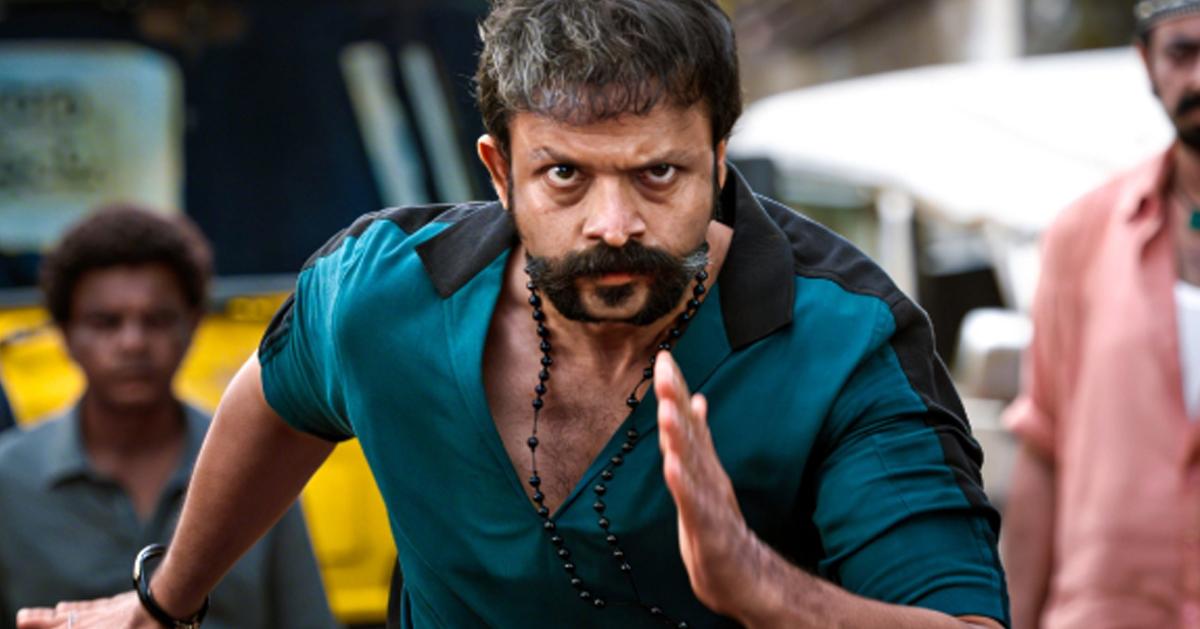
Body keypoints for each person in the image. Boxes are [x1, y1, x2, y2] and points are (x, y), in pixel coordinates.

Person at [16, 2, 1008, 627]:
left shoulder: (849, 341)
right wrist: (163, 598)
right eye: (565, 174)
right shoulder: (380, 293)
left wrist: (765, 587)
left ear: (718, 156)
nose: (613, 223)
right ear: (499, 170)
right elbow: (279, 395)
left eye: (658, 173)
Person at [0, 206, 335, 629]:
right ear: (64, 332)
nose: (133, 343)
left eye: (157, 320)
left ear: (193, 324)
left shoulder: (260, 459)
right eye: (105, 323)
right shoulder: (8, 478)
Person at [1001, 3, 1200, 628]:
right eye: (1182, 52)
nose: (1199, 77)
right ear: (1146, 61)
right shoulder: (1082, 234)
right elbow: (1043, 444)